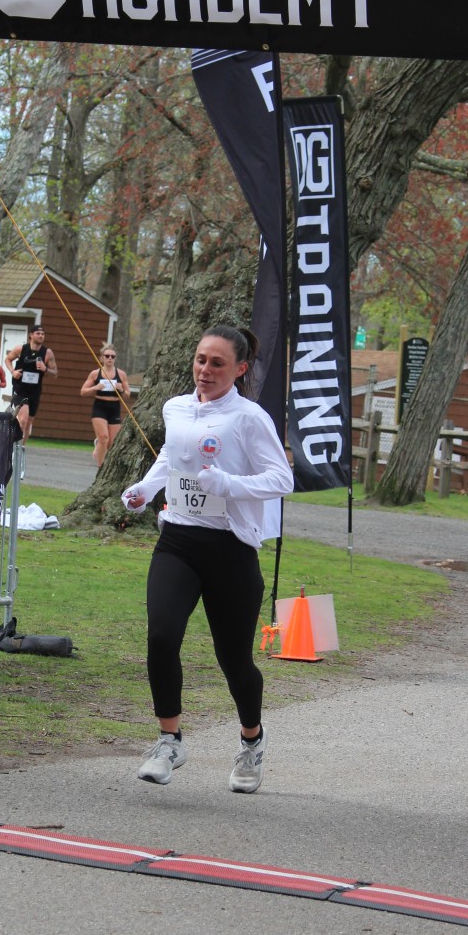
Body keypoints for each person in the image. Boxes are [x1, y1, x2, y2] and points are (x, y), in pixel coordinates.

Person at [121, 324, 294, 793]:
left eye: (217, 363)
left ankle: (251, 741)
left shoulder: (249, 418)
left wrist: (230, 485)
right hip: (178, 542)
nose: (205, 370)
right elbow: (171, 458)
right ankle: (169, 741)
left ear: (240, 369)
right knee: (161, 637)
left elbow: (282, 479)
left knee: (234, 660)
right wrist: (145, 489)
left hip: (230, 550)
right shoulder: (175, 407)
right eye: (201, 360)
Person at [80, 343, 131, 467]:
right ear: (102, 358)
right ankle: (101, 467)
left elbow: (127, 395)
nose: (110, 358)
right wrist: (95, 387)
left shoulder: (121, 374)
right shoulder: (95, 373)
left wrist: (121, 390)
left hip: (114, 407)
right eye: (107, 356)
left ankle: (98, 446)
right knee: (103, 437)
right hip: (100, 406)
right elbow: (83, 392)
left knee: (111, 443)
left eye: (113, 356)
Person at [6, 324, 57, 442]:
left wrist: (45, 369)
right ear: (31, 335)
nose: (41, 336)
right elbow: (7, 359)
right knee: (23, 419)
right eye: (38, 333)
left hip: (35, 390)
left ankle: (21, 447)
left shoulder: (47, 353)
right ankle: (15, 446)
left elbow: (55, 373)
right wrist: (13, 371)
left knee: (29, 422)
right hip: (20, 388)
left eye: (43, 334)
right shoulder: (21, 349)